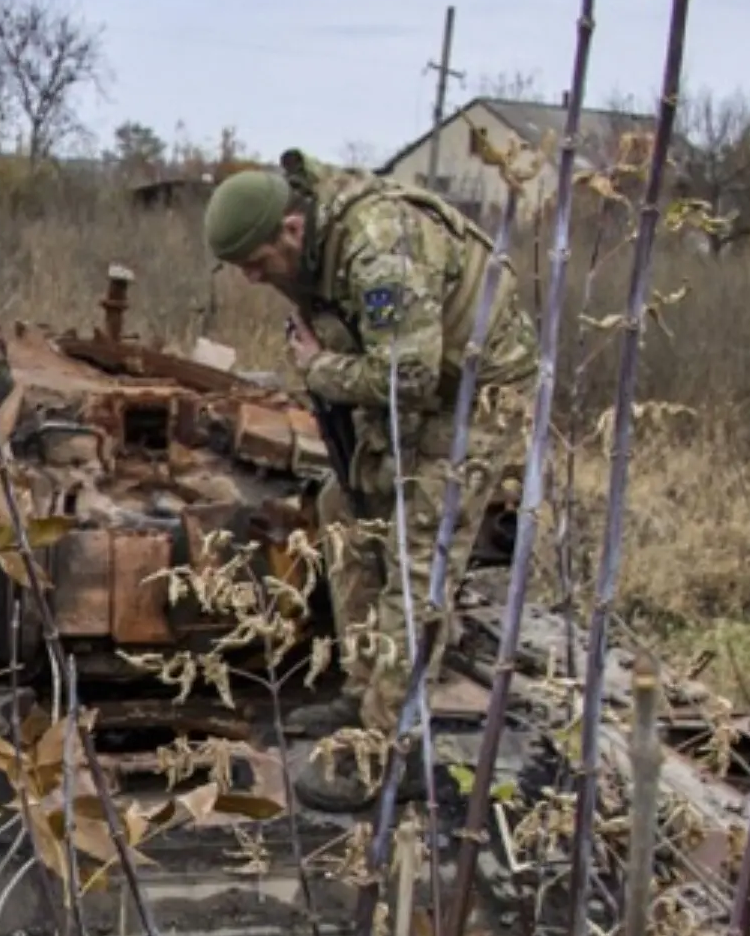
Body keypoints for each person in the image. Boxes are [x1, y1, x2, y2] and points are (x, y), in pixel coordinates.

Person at [204, 150, 535, 809]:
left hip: (478, 391)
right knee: (346, 509)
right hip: (423, 384)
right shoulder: (321, 245)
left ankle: (389, 746)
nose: (253, 280)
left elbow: (407, 376)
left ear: (291, 230)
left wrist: (320, 367)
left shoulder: (377, 244)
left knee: (418, 552)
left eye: (259, 265)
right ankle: (363, 694)